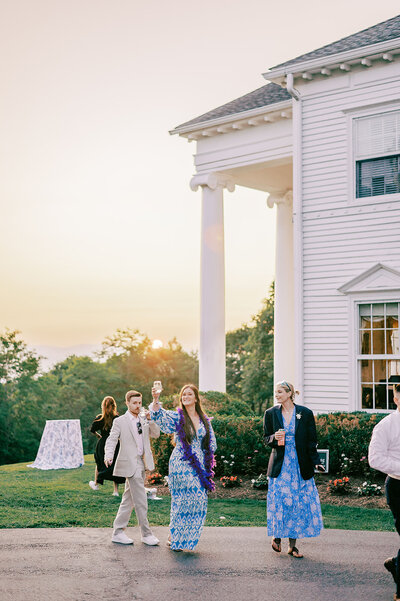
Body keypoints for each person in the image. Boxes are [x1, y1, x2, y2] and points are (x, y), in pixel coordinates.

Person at [149, 383, 216, 551]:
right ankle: (175, 537)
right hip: (180, 462)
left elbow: (211, 444)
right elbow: (158, 415)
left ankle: (183, 536)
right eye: (183, 395)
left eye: (189, 394)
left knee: (199, 499)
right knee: (182, 500)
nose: (185, 397)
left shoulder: (204, 420)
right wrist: (156, 399)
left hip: (199, 464)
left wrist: (207, 462)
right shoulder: (178, 417)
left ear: (195, 398)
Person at [263, 380, 324, 558]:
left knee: (296, 504)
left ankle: (293, 546)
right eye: (276, 392)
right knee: (280, 502)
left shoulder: (304, 413)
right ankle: (276, 536)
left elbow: (311, 441)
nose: (277, 395)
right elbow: (266, 439)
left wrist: (316, 461)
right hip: (280, 466)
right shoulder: (270, 414)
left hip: (299, 466)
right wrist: (274, 437)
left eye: (280, 392)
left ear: (290, 393)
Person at [104, 389, 160, 546]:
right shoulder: (120, 421)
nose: (137, 406)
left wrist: (151, 419)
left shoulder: (144, 419)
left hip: (142, 463)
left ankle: (118, 532)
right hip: (130, 463)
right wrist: (108, 455)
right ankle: (146, 534)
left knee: (128, 499)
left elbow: (156, 434)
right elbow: (111, 439)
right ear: (127, 403)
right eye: (134, 403)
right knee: (141, 499)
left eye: (140, 403)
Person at [368, 383, 400, 601]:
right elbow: (375, 458)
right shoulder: (386, 425)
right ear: (396, 398)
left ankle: (396, 564)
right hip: (399, 486)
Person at [89, 396, 125, 496]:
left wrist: (98, 435)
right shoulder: (117, 419)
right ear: (114, 406)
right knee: (114, 465)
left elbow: (92, 430)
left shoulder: (99, 418)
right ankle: (116, 491)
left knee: (99, 463)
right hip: (114, 443)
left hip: (103, 443)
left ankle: (96, 484)